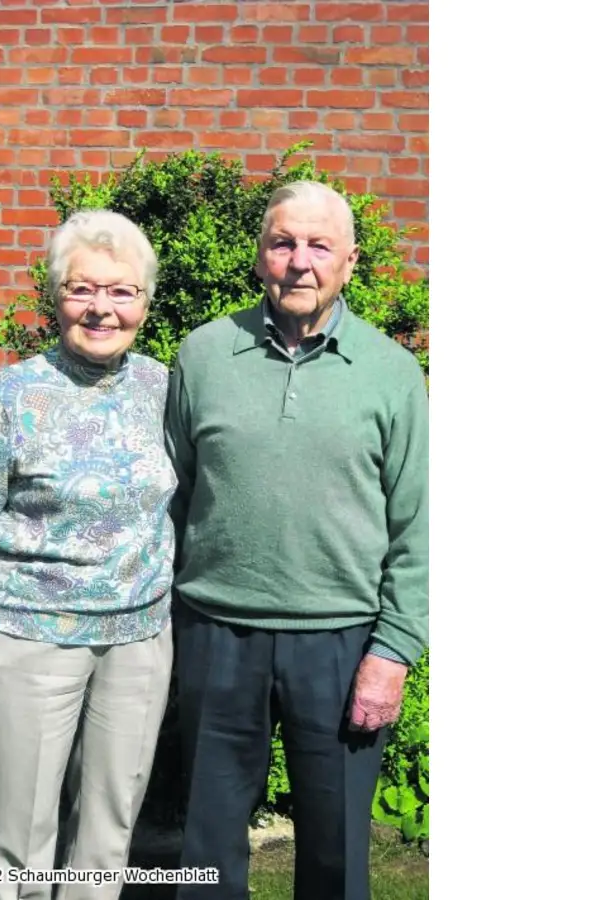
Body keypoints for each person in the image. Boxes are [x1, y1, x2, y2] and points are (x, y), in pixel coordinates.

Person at [164, 181, 428, 900]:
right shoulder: (206, 354)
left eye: (319, 246)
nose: (299, 262)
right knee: (208, 848)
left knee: (337, 856)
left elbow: (418, 525)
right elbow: (177, 494)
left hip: (341, 643)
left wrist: (393, 653)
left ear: (350, 261)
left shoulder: (391, 373)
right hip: (218, 633)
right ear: (259, 257)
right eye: (283, 243)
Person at [0, 209, 176, 900]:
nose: (101, 309)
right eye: (82, 289)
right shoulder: (9, 395)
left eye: (121, 292)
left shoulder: (165, 389)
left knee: (108, 834)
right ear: (56, 297)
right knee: (17, 844)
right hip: (27, 641)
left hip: (138, 644)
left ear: (145, 304)